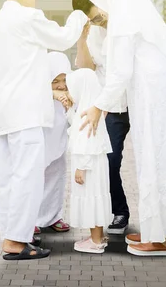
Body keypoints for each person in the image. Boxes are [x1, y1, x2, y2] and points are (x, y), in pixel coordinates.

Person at [79, 0, 166, 257]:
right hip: (161, 96)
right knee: (161, 160)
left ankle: (159, 239)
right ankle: (157, 233)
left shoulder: (124, 23)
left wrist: (98, 106)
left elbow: (120, 73)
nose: (102, 18)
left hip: (156, 98)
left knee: (157, 161)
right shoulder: (138, 20)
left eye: (100, 11)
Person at [0, 0, 88, 260]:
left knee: (6, 179)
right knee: (28, 178)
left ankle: (10, 238)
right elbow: (64, 37)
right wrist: (81, 15)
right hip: (24, 114)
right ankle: (17, 241)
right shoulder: (27, 18)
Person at [72, 0, 131, 235]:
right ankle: (119, 211)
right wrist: (82, 39)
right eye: (93, 20)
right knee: (109, 159)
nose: (99, 22)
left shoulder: (127, 21)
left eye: (99, 17)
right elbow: (86, 68)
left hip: (136, 102)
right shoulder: (94, 33)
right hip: (110, 107)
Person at [65, 68, 113, 254]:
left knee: (91, 198)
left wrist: (81, 167)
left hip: (88, 167)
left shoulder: (89, 116)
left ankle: (95, 242)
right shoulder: (90, 111)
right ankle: (98, 237)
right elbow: (76, 126)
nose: (69, 93)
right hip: (94, 166)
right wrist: (69, 109)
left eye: (71, 89)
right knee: (96, 198)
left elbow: (87, 139)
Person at [36, 52, 73, 234]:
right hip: (41, 142)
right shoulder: (39, 91)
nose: (61, 85)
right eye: (55, 80)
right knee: (35, 180)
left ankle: (52, 216)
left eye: (64, 79)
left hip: (58, 143)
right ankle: (31, 219)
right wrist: (52, 95)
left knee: (56, 179)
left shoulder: (70, 93)